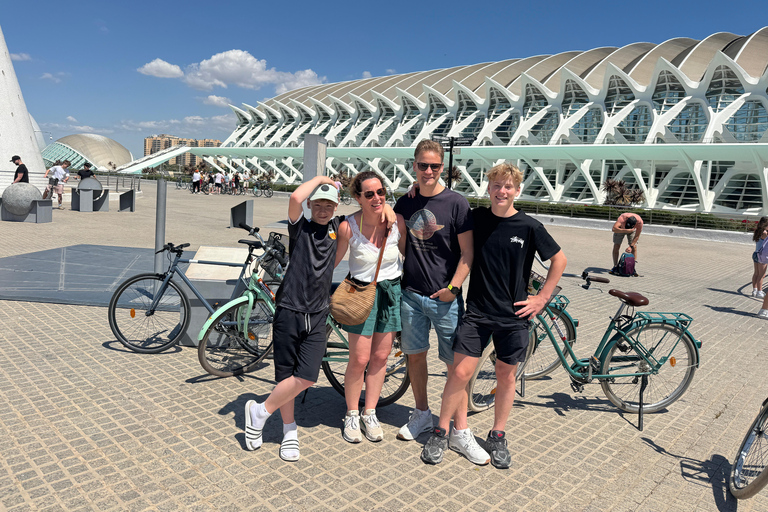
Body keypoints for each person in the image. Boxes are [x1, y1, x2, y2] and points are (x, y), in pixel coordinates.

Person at [421, 162, 566, 468]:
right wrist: (416, 191)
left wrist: (541, 299)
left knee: (505, 375)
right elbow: (444, 211)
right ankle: (440, 431)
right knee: (459, 374)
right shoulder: (477, 218)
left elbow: (559, 260)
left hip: (513, 318)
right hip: (477, 312)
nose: (502, 191)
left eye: (508, 187)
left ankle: (498, 435)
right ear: (489, 188)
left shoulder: (529, 227)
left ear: (517, 190)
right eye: (497, 185)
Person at [243, 176, 395, 462]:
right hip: (289, 309)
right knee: (285, 375)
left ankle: (259, 411)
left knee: (307, 377)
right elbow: (293, 199)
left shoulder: (340, 228)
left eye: (329, 204)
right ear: (311, 205)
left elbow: (370, 210)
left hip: (318, 312)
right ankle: (289, 430)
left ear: (336, 207)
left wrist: (387, 208)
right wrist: (322, 179)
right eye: (318, 204)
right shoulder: (299, 228)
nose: (324, 209)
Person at [392, 139, 485, 463]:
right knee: (415, 358)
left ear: (442, 167)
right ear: (414, 165)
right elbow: (400, 245)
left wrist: (454, 289)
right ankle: (421, 414)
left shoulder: (456, 203)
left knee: (455, 368)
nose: (428, 171)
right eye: (422, 165)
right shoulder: (404, 202)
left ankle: (460, 432)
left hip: (445, 300)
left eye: (434, 166)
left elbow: (468, 253)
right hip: (411, 295)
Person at [334, 171, 407, 443]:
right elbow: (332, 261)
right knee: (360, 358)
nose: (376, 198)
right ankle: (352, 413)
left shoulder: (396, 221)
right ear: (357, 198)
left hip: (391, 292)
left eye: (380, 193)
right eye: (369, 194)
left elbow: (410, 255)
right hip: (361, 294)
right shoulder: (348, 227)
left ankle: (370, 412)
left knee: (380, 358)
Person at [751, 216, 768, 301]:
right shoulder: (765, 233)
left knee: (756, 273)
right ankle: (759, 291)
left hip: (756, 253)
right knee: (762, 275)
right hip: (762, 255)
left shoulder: (757, 231)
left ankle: (754, 290)